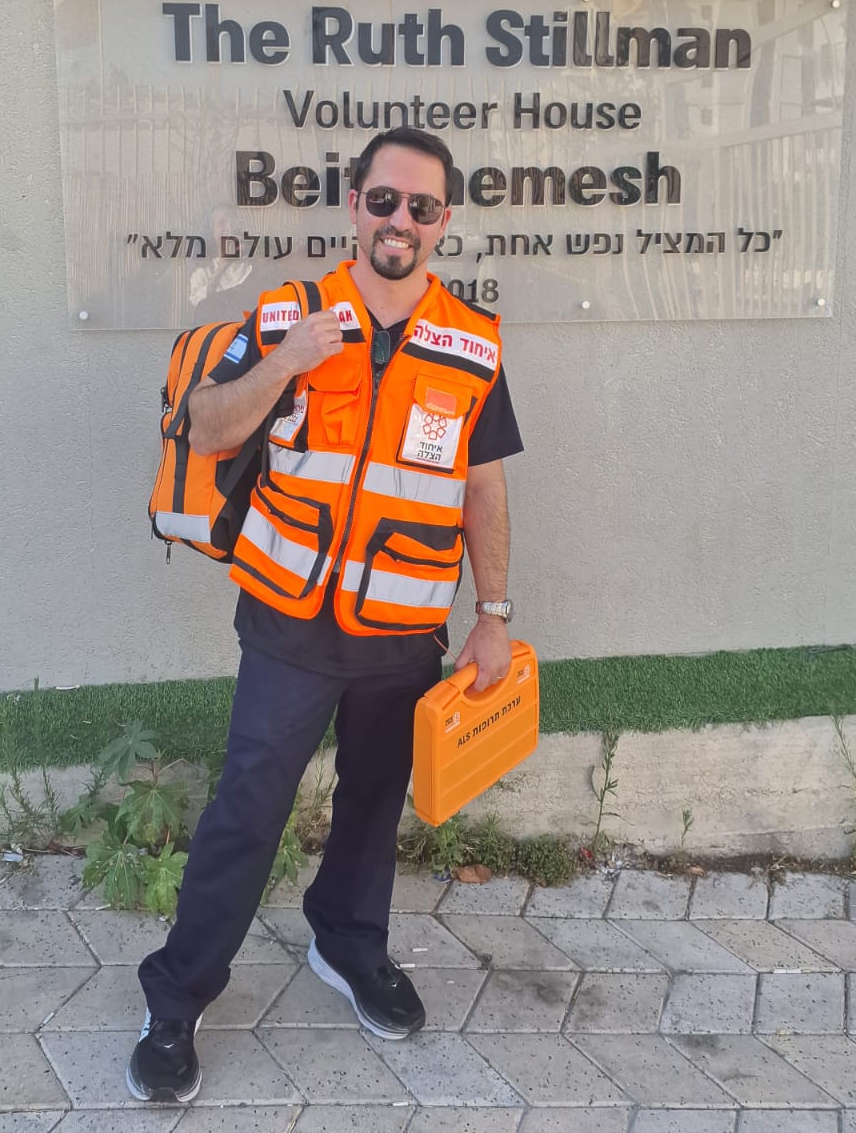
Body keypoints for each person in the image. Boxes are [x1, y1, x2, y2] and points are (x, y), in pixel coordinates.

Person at [127, 128, 523, 1104]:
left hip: (404, 629)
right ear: (354, 206)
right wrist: (286, 363)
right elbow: (206, 429)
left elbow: (483, 486)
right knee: (248, 808)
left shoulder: (474, 342)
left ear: (443, 222)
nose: (401, 221)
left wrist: (493, 613)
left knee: (373, 803)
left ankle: (348, 943)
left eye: (421, 207)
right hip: (290, 621)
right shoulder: (288, 313)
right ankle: (177, 996)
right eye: (384, 200)